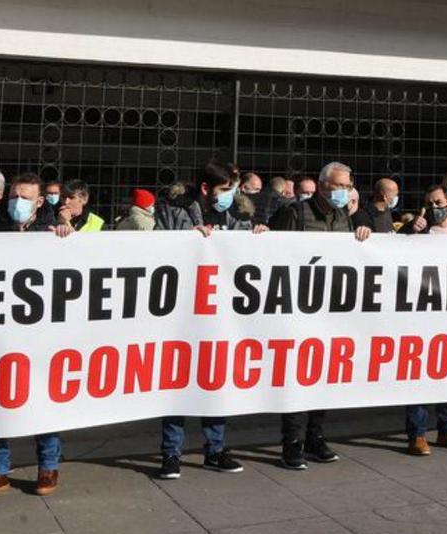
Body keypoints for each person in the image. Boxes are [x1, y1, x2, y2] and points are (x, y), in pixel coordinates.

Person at [268, 161, 371, 469]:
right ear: (323, 185)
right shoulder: (296, 212)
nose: (343, 192)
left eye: (347, 186)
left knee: (323, 375)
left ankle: (316, 437)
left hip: (330, 308)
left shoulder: (342, 216)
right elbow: (272, 251)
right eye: (338, 186)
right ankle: (292, 443)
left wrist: (362, 234)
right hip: (298, 308)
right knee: (297, 377)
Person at [156, 161, 255, 481]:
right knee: (177, 383)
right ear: (205, 189)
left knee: (215, 381)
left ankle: (215, 449)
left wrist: (259, 235)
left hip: (219, 312)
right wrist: (185, 239)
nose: (231, 195)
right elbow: (154, 248)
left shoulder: (239, 215)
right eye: (226, 189)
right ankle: (171, 454)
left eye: (234, 190)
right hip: (181, 312)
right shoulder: (174, 209)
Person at [0, 173, 72, 499]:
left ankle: (48, 466)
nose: (18, 202)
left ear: (40, 201)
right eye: (14, 195)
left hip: (41, 333)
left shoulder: (52, 231)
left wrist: (65, 231)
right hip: (0, 331)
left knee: (43, 398)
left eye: (26, 197)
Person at [398, 184, 447, 455]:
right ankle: (417, 434)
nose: (435, 207)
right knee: (418, 374)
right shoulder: (417, 234)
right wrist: (409, 232)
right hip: (422, 316)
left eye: (439, 201)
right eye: (430, 203)